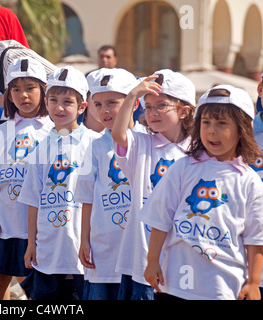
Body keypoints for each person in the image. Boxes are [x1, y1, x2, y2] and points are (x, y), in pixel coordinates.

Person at [141, 85, 263, 300]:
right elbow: (160, 219)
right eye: (206, 122)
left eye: (222, 123)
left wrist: (253, 283)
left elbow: (255, 238)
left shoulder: (250, 181)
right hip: (174, 284)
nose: (211, 131)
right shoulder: (183, 167)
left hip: (222, 287)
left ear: (242, 128)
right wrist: (152, 262)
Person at [111, 69, 196, 300]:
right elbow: (119, 135)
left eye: (161, 105)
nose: (152, 113)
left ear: (184, 111)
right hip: (140, 256)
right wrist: (131, 97)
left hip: (181, 256)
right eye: (147, 107)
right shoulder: (141, 143)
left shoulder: (198, 151)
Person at [17, 66, 100, 300]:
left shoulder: (95, 143)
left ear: (82, 106)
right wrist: (31, 243)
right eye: (53, 100)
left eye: (68, 102)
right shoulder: (41, 146)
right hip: (48, 247)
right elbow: (33, 199)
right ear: (46, 102)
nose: (59, 108)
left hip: (86, 250)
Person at [0, 57, 53, 300]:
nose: (24, 95)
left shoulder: (53, 130)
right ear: (9, 95)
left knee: (33, 286)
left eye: (30, 88)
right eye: (16, 89)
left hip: (35, 227)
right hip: (4, 224)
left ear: (44, 91)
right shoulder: (0, 130)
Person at [75, 68, 139, 300]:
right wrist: (84, 240)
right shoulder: (96, 145)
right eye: (98, 104)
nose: (105, 111)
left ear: (133, 102)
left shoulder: (147, 142)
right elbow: (87, 197)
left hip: (138, 249)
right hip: (102, 249)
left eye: (112, 102)